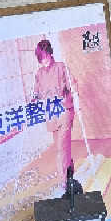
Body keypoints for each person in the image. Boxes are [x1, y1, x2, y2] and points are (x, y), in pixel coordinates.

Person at [32, 38, 77, 193]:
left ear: (50, 53)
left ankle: (64, 182)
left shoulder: (61, 67)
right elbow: (36, 93)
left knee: (61, 149)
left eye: (45, 56)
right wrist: (34, 99)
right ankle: (70, 168)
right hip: (51, 115)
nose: (43, 60)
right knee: (61, 147)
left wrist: (69, 89)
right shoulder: (38, 74)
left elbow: (72, 85)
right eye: (40, 58)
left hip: (64, 111)